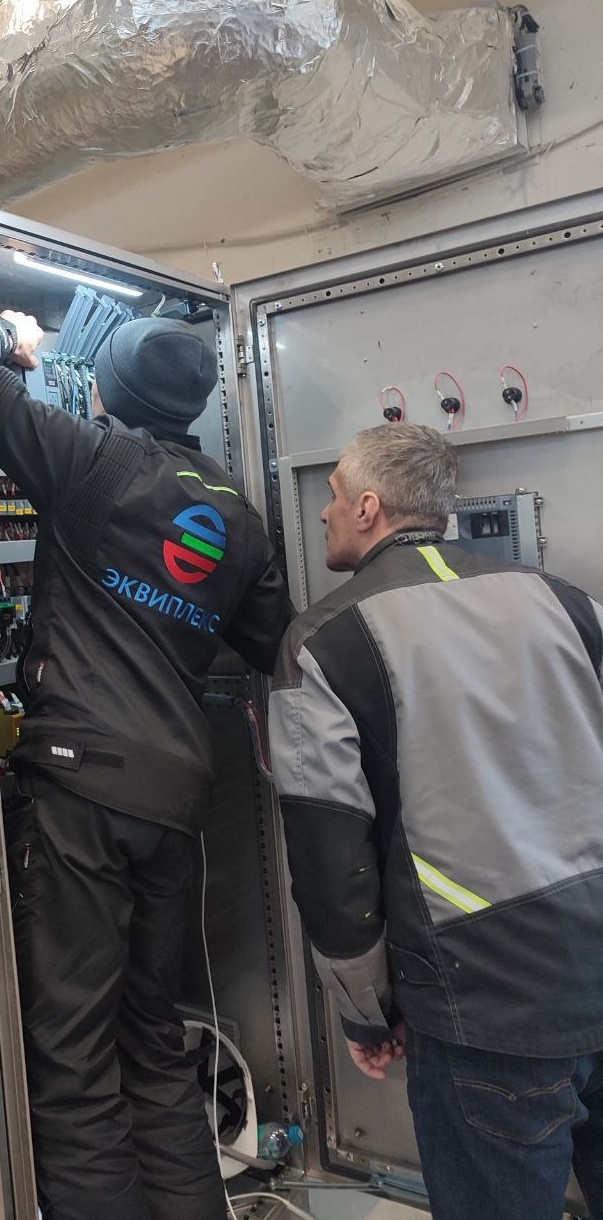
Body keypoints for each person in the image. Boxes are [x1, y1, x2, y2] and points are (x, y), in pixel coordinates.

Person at [0, 309, 291, 1220]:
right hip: (174, 799)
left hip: (81, 790)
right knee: (149, 1038)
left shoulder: (93, 459)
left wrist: (3, 335)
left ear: (107, 388)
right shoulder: (239, 519)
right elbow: (271, 643)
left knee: (71, 1056)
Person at [267, 421, 603, 1220]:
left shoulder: (323, 644)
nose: (325, 513)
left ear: (369, 508)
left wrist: (366, 1012)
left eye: (335, 497)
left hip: (484, 1008)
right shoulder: (569, 602)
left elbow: (331, 861)